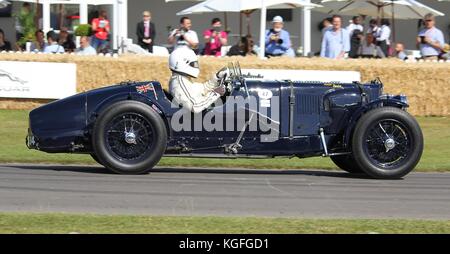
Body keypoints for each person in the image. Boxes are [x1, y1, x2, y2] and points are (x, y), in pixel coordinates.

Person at [168, 46, 226, 113]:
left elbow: (203, 89)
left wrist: (217, 78)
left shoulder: (182, 79)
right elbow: (195, 107)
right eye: (193, 63)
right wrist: (215, 93)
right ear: (182, 63)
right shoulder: (178, 83)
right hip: (190, 120)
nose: (195, 65)